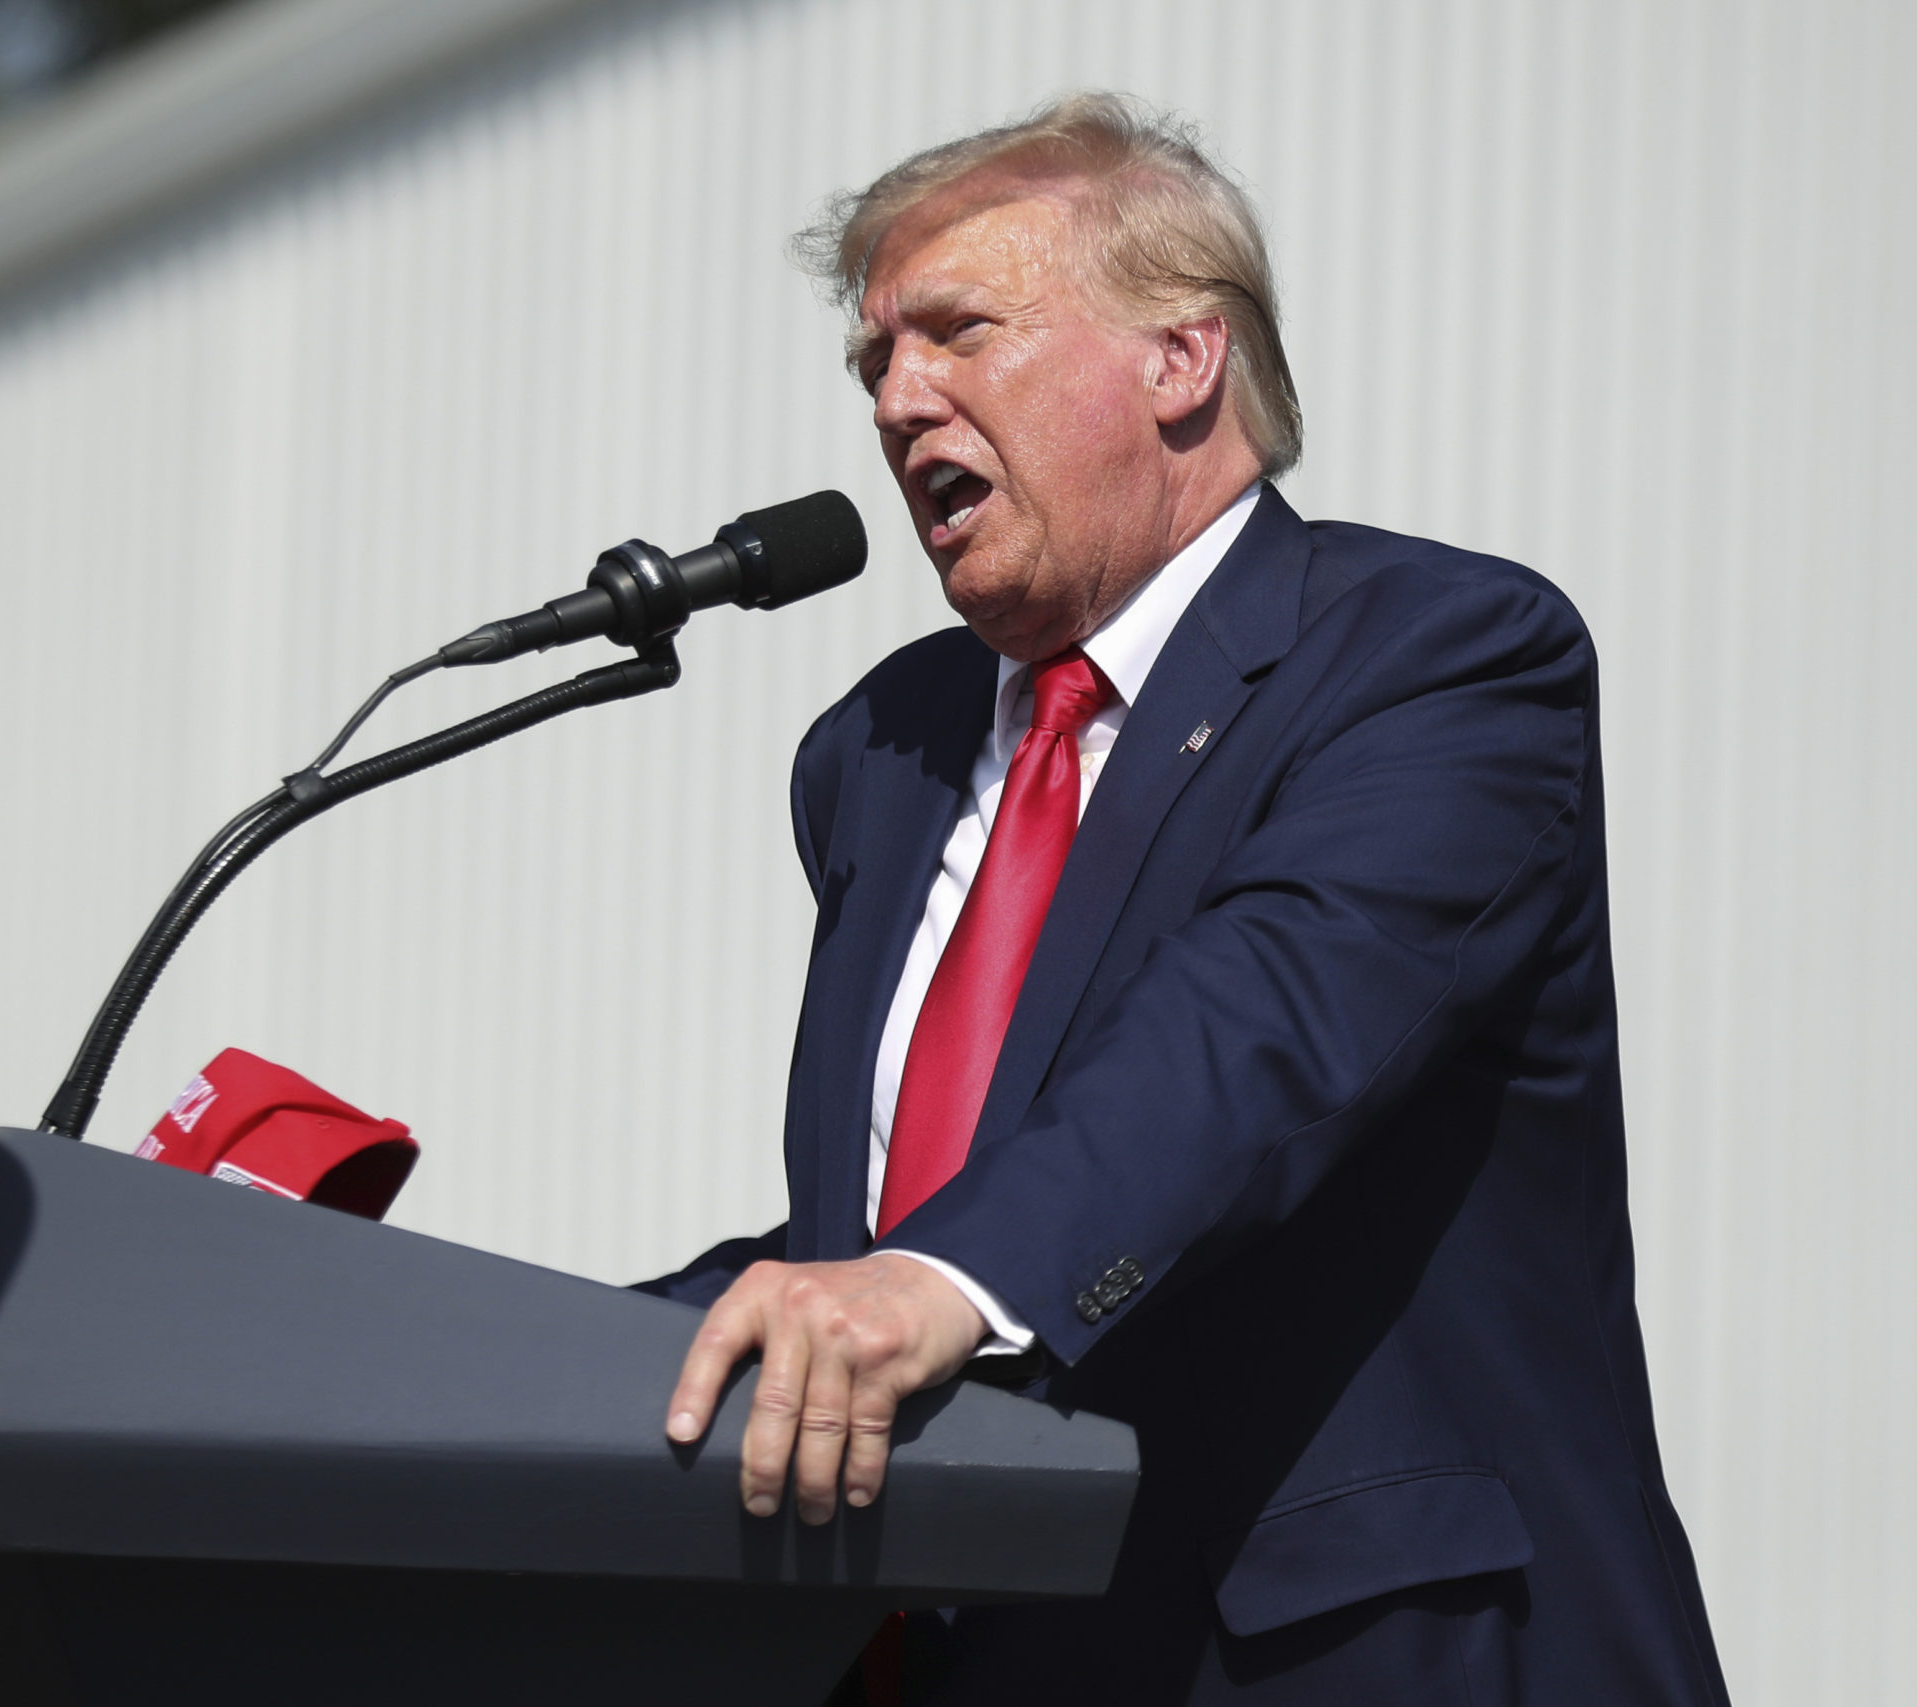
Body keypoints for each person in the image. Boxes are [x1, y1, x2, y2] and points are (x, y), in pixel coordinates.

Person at [641, 94, 1729, 1704]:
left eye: (958, 332)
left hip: (1345, 1651)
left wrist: (932, 1286)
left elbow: (1262, 1029)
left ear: (1181, 359)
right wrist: (424, 1334)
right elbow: (873, 1234)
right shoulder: (882, 751)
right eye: (875, 359)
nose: (896, 397)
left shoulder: (1435, 656)